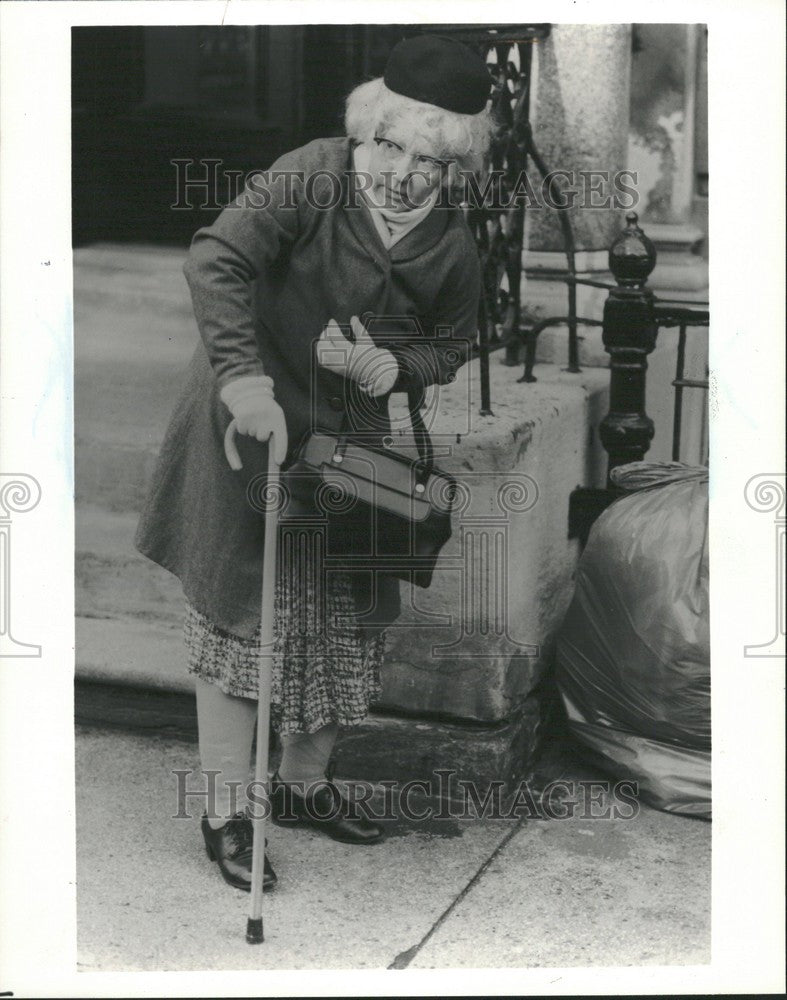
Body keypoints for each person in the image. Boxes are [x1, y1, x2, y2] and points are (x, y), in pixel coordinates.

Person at [134, 34, 495, 892]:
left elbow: (451, 343)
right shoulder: (313, 174)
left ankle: (300, 788)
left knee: (346, 623)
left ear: (453, 172)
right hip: (250, 424)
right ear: (364, 128)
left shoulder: (452, 244)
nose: (400, 173)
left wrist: (397, 367)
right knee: (242, 622)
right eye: (388, 144)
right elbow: (217, 258)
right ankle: (226, 809)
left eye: (428, 160)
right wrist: (244, 385)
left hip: (348, 449)